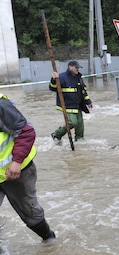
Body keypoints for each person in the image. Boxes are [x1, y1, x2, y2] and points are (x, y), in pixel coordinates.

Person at [0, 93, 56, 241]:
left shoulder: (1, 106)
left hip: (17, 171)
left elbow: (26, 132)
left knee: (31, 214)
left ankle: (49, 239)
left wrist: (17, 161)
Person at [49, 60, 93, 144]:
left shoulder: (79, 77)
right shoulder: (62, 77)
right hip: (68, 105)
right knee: (73, 122)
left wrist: (88, 101)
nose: (78, 69)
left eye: (78, 68)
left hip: (78, 105)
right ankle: (56, 134)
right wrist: (53, 79)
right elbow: (52, 88)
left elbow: (83, 91)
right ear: (70, 67)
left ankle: (79, 141)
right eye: (76, 68)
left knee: (80, 125)